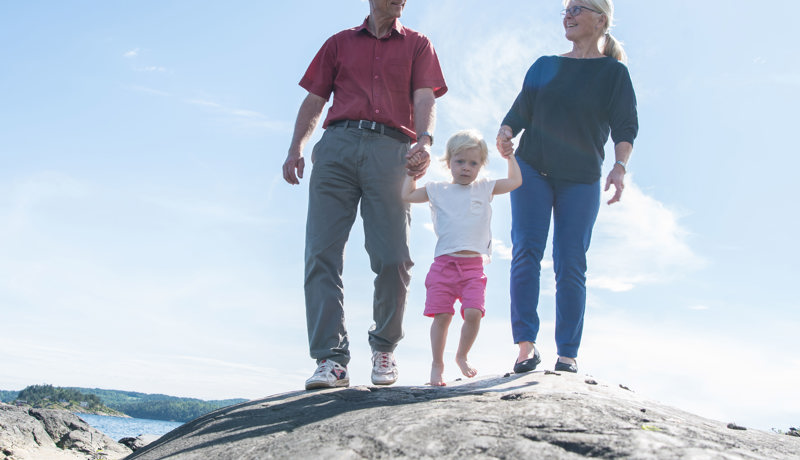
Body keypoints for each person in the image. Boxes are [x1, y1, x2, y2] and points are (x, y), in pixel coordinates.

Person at [282, 0, 447, 390]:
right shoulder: (339, 43)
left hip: (392, 151)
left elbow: (426, 97)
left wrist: (424, 140)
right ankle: (331, 359)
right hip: (337, 147)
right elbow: (314, 100)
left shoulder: (418, 44)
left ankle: (385, 347)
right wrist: (296, 148)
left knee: (393, 257)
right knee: (321, 253)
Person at [496, 0, 638, 374]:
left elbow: (626, 128)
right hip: (532, 170)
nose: (569, 14)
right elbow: (518, 113)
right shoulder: (545, 65)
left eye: (578, 8)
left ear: (601, 20)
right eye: (567, 9)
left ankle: (567, 355)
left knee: (571, 261)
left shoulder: (613, 74)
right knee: (526, 250)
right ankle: (526, 346)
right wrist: (506, 133)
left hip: (582, 180)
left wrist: (619, 166)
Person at [402, 130, 522, 386]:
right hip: (444, 265)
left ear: (481, 165)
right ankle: (437, 364)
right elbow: (408, 196)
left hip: (473, 267)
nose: (466, 168)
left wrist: (510, 157)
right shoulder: (437, 189)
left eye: (473, 163)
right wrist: (410, 174)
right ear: (448, 162)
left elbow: (514, 182)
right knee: (442, 316)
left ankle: (462, 355)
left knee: (473, 313)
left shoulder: (484, 187)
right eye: (460, 162)